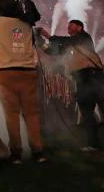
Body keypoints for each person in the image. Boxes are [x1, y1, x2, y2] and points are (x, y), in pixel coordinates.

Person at [0, 0, 46, 163]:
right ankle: (38, 151)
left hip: (6, 73)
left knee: (12, 115)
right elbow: (32, 44)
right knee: (31, 114)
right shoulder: (27, 24)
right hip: (28, 72)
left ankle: (16, 153)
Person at [39, 19, 104, 152]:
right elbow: (52, 51)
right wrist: (40, 42)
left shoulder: (83, 38)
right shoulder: (70, 43)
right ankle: (93, 144)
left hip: (94, 76)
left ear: (80, 27)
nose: (68, 26)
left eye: (72, 24)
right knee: (87, 113)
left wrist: (47, 35)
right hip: (81, 79)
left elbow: (66, 41)